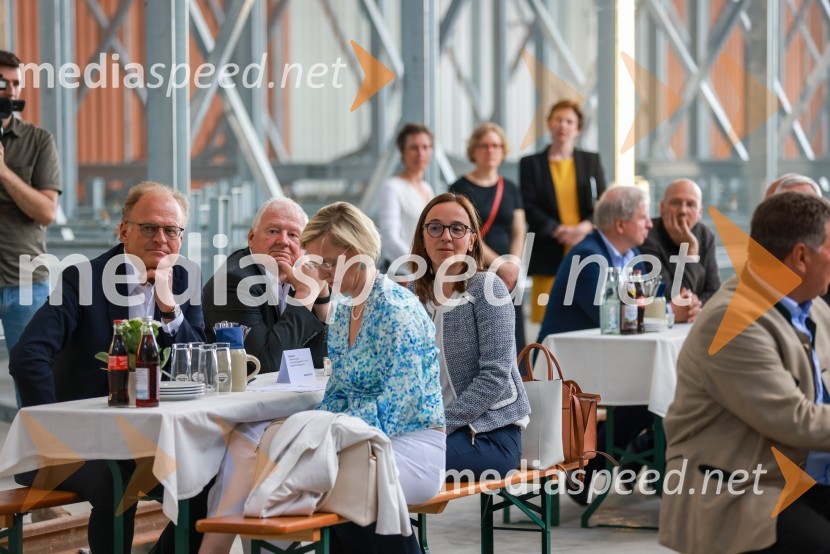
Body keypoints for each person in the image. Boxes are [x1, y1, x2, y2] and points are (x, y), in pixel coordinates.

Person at [199, 202, 445, 554]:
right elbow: (337, 393)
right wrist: (319, 431)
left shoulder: (396, 308)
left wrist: (326, 435)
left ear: (358, 254)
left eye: (328, 263)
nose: (321, 273)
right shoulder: (345, 310)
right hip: (361, 444)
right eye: (315, 263)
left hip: (407, 446)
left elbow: (398, 408)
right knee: (259, 443)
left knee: (308, 472)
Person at [9, 181, 206, 553]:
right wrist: (57, 429)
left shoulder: (185, 280)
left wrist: (169, 309)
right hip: (72, 443)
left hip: (147, 440)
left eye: (171, 230)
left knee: (207, 481)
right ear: (124, 231)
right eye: (149, 227)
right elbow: (27, 356)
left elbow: (195, 365)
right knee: (118, 480)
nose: (160, 238)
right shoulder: (83, 279)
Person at [659, 192, 830, 553]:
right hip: (735, 491)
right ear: (801, 257)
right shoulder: (730, 322)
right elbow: (796, 420)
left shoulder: (811, 308)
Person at [536, 186, 652, 503]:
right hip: (569, 368)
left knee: (655, 387)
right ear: (620, 224)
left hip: (604, 360)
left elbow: (644, 308)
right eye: (643, 217)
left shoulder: (632, 258)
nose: (649, 224)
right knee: (648, 391)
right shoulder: (587, 258)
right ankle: (595, 469)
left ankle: (629, 460)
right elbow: (610, 315)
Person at [409, 193, 531, 479]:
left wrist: (440, 423)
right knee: (371, 455)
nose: (446, 237)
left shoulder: (488, 289)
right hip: (431, 429)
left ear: (472, 239)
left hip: (491, 433)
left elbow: (495, 375)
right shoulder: (413, 295)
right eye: (435, 227)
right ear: (423, 237)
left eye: (458, 228)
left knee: (396, 462)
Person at [0, 50, 61, 406]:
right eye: (1, 83)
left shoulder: (39, 141)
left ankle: (39, 461)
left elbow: (46, 211)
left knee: (34, 378)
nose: (9, 90)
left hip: (26, 283)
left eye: (15, 83)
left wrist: (5, 172)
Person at [203, 197, 327, 371]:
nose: (283, 241)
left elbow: (321, 361)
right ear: (251, 238)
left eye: (293, 235)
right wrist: (305, 294)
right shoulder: (233, 282)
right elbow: (265, 366)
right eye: (273, 231)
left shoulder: (298, 277)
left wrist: (322, 300)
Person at [520, 99, 606, 323]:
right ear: (549, 123)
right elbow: (529, 205)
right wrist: (559, 230)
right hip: (549, 248)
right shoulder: (531, 163)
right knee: (546, 318)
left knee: (585, 315)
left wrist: (584, 227)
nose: (563, 125)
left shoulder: (591, 161)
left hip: (586, 244)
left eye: (569, 121)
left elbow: (603, 202)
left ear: (578, 129)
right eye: (558, 119)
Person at [450, 123, 527, 351]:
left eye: (496, 146)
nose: (490, 151)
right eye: (484, 146)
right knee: (481, 334)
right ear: (473, 150)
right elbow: (463, 231)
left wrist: (513, 263)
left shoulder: (510, 188)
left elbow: (519, 229)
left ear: (503, 151)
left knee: (512, 336)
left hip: (508, 275)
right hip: (474, 269)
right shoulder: (459, 187)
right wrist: (500, 264)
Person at [639, 179, 719, 323]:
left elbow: (714, 292)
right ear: (662, 208)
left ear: (699, 212)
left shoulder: (705, 236)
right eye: (676, 203)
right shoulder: (647, 236)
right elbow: (672, 296)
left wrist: (694, 308)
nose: (683, 211)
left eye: (690, 205)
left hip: (695, 323)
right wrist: (690, 249)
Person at [378, 123, 435, 270]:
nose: (420, 153)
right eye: (413, 148)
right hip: (403, 274)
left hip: (428, 274)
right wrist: (421, 265)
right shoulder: (392, 188)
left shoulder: (427, 188)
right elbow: (390, 240)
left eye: (425, 147)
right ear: (403, 151)